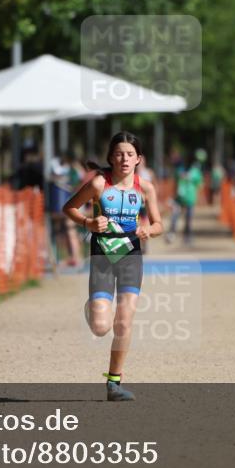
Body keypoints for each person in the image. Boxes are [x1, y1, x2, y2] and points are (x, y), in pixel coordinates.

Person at [62, 131, 163, 401]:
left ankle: (114, 383)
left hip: (131, 257)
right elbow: (69, 208)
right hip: (102, 258)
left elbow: (159, 224)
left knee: (124, 322)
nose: (124, 159)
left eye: (130, 154)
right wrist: (89, 223)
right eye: (119, 154)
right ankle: (94, 308)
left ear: (139, 159)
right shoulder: (98, 184)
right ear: (111, 157)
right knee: (101, 328)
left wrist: (148, 230)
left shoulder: (146, 187)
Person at [167, 149, 204, 245]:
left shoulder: (196, 172)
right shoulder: (179, 170)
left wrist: (199, 197)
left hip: (190, 198)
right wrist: (173, 196)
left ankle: (187, 236)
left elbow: (199, 184)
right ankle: (171, 233)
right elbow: (175, 183)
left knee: (188, 218)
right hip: (179, 198)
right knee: (175, 216)